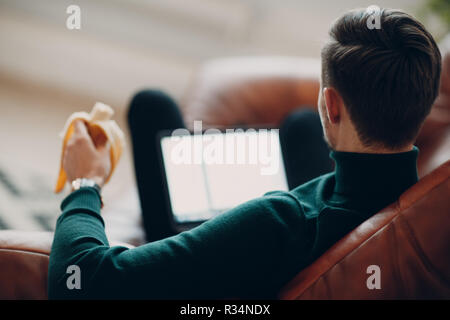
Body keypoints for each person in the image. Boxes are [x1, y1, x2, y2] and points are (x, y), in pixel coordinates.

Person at [48, 8, 441, 299]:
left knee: (151, 108)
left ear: (332, 105)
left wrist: (86, 182)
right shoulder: (429, 208)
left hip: (235, 259)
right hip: (296, 232)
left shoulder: (276, 221)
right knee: (302, 124)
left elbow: (86, 281)